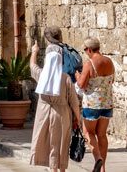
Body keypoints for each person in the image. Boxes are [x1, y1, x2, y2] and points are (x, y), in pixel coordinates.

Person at [30, 27, 81, 171]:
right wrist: (78, 118)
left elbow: (32, 66)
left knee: (48, 143)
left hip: (44, 112)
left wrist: (34, 51)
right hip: (62, 113)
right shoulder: (65, 78)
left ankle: (52, 169)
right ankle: (61, 169)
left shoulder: (41, 75)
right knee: (61, 143)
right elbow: (74, 101)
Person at [76, 37, 114, 172]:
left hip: (92, 104)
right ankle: (103, 168)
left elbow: (81, 85)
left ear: (89, 49)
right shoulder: (109, 62)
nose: (86, 52)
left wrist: (77, 76)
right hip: (107, 103)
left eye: (85, 50)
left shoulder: (89, 64)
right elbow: (111, 80)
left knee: (88, 132)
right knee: (102, 135)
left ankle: (98, 158)